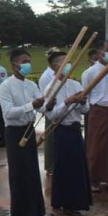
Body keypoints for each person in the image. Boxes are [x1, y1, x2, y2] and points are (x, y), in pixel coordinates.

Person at [0, 48, 46, 216]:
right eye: (24, 61)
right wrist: (30, 106)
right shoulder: (6, 86)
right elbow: (8, 113)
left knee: (31, 174)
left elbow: (40, 107)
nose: (27, 64)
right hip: (14, 132)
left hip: (29, 130)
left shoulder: (31, 85)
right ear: (14, 64)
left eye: (29, 61)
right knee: (18, 175)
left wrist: (45, 105)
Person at [45, 60, 90, 216]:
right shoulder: (51, 88)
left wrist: (83, 102)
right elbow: (51, 115)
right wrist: (67, 102)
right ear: (55, 67)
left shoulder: (75, 84)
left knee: (76, 168)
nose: (68, 66)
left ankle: (72, 204)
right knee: (62, 168)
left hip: (75, 129)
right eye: (63, 63)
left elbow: (85, 110)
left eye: (69, 62)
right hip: (62, 130)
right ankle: (57, 205)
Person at [82, 41, 108, 192]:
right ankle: (92, 179)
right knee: (95, 146)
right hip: (96, 110)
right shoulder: (90, 72)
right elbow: (84, 95)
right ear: (99, 52)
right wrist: (89, 111)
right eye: (107, 50)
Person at [39, 48, 67, 176]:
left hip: (63, 110)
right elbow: (46, 97)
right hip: (52, 109)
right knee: (50, 139)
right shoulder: (46, 76)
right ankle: (50, 165)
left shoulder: (63, 74)